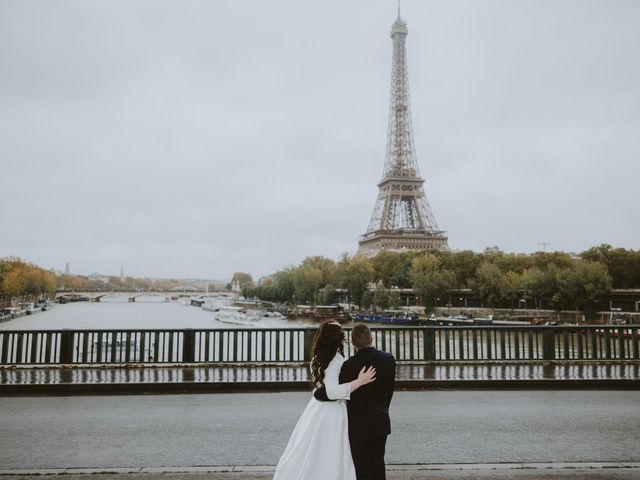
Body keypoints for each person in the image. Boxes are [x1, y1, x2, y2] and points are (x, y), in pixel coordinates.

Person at [273, 321, 377, 480]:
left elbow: (320, 388)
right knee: (330, 451)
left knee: (311, 449)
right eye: (342, 337)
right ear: (337, 340)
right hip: (331, 412)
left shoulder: (316, 358)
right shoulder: (334, 361)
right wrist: (360, 381)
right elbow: (333, 391)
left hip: (316, 409)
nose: (344, 340)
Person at [314, 323, 396, 480]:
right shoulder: (388, 359)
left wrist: (318, 393)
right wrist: (383, 410)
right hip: (380, 420)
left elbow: (337, 392)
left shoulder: (348, 366)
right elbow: (389, 391)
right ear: (372, 338)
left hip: (358, 425)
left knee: (362, 467)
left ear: (352, 342)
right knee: (378, 463)